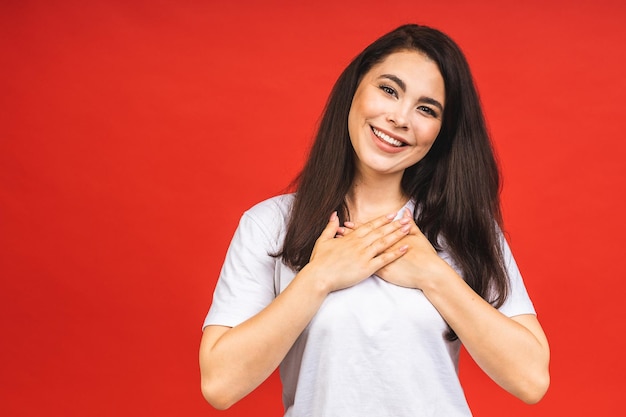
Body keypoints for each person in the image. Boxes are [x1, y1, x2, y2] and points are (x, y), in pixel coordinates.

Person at [199, 24, 550, 416]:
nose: (400, 118)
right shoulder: (271, 225)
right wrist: (320, 278)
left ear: (441, 133)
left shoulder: (465, 230)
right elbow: (220, 384)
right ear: (354, 90)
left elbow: (531, 379)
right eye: (388, 89)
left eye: (426, 109)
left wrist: (432, 275)